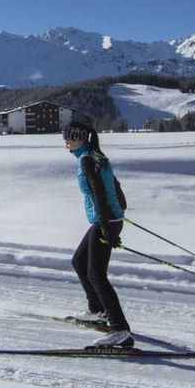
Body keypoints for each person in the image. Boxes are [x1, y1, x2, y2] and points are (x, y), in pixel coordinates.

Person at [63, 121, 133, 348]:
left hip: (104, 221)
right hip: (108, 219)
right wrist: (119, 213)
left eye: (70, 139)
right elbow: (116, 185)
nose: (67, 144)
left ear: (81, 139)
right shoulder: (97, 155)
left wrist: (107, 224)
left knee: (96, 274)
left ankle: (119, 328)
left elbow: (99, 192)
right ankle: (97, 310)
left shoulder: (87, 159)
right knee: (79, 261)